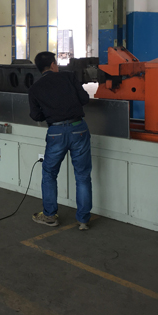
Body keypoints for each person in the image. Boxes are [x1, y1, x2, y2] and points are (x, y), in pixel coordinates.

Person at [28, 51, 92, 230]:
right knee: (82, 175)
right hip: (79, 128)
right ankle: (83, 220)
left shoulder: (35, 88)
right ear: (53, 64)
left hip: (56, 132)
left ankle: (50, 216)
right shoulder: (69, 77)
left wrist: (50, 113)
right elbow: (84, 99)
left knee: (49, 173)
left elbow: (35, 115)